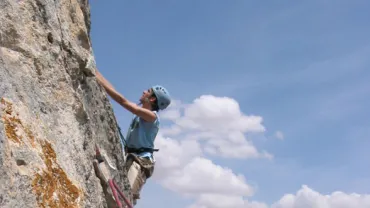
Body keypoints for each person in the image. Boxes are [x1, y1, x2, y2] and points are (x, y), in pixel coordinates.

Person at [95, 69, 171, 204]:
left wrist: (96, 75)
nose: (143, 92)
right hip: (132, 157)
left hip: (141, 162)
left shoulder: (152, 117)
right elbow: (119, 95)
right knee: (117, 195)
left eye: (148, 91)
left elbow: (122, 101)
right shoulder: (141, 113)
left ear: (152, 99)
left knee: (124, 200)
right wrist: (97, 73)